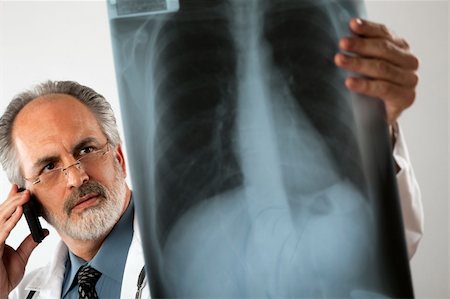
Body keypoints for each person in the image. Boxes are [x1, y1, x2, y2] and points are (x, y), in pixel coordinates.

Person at [0, 18, 422, 299]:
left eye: (86, 149)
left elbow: (366, 256)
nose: (76, 177)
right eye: (49, 166)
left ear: (121, 157)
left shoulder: (212, 245)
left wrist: (375, 129)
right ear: (24, 198)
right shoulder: (26, 290)